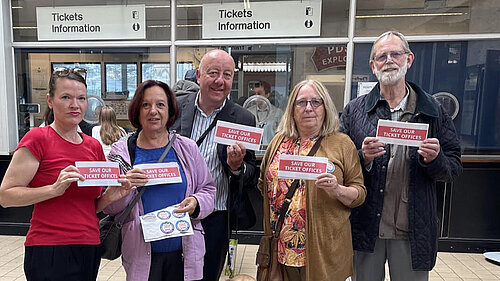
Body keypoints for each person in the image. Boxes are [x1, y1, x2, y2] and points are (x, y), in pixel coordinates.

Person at [339, 31, 462, 281]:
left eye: (396, 53)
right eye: (382, 56)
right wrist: (363, 156)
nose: (389, 60)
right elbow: (339, 165)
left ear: (409, 59)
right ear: (373, 66)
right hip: (366, 227)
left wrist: (434, 159)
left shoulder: (433, 112)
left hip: (412, 230)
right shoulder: (354, 110)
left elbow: (454, 167)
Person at [0, 67, 134, 281]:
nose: (75, 105)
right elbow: (5, 196)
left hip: (88, 244)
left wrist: (111, 196)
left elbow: (89, 206)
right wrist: (53, 189)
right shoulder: (37, 138)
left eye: (81, 98)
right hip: (49, 247)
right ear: (50, 101)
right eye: (66, 97)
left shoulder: (93, 146)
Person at [103, 80, 216, 281]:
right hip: (141, 255)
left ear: (170, 111)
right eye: (146, 105)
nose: (153, 111)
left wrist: (196, 202)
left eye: (160, 105)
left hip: (184, 254)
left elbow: (208, 189)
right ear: (137, 110)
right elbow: (110, 209)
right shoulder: (121, 153)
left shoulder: (187, 148)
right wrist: (123, 188)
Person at [259, 79, 366, 281]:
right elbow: (262, 184)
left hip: (323, 252)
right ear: (292, 108)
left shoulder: (342, 144)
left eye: (316, 102)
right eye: (301, 102)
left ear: (325, 107)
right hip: (280, 250)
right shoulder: (278, 141)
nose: (308, 108)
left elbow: (359, 193)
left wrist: (337, 190)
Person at [171, 49, 257, 281]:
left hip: (216, 217)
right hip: (174, 210)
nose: (220, 80)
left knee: (206, 275)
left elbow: (251, 175)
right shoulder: (174, 108)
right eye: (213, 73)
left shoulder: (243, 119)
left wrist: (236, 166)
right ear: (199, 75)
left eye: (227, 75)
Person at [246, 80, 284, 145]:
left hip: (271, 150)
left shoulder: (278, 113)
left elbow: (282, 135)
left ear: (267, 94)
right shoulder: (249, 112)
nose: (256, 96)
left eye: (259, 94)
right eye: (254, 94)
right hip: (253, 150)